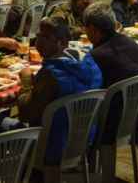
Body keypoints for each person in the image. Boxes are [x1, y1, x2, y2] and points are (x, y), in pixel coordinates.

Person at [7, 17, 102, 164]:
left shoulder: (51, 75)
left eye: (46, 37)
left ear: (62, 42)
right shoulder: (91, 64)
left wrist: (26, 83)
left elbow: (26, 114)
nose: (39, 41)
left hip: (52, 145)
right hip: (84, 139)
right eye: (38, 36)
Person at [83, 2, 138, 87]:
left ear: (93, 29)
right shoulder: (129, 41)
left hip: (112, 99)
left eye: (85, 27)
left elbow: (88, 90)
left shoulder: (94, 57)